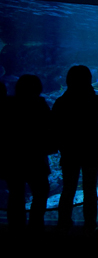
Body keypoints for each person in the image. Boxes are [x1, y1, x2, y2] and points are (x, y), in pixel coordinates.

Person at [52, 65, 98, 235]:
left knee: (68, 189)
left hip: (70, 150)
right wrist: (90, 93)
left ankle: (63, 224)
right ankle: (90, 225)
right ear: (88, 81)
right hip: (90, 149)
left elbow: (54, 124)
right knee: (90, 189)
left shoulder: (61, 101)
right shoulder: (91, 100)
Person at [4, 75, 52, 234]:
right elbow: (48, 131)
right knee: (40, 192)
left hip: (13, 158)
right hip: (35, 157)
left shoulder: (8, 105)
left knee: (15, 194)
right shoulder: (40, 105)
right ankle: (35, 227)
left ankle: (15, 228)